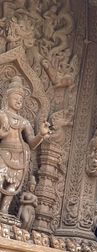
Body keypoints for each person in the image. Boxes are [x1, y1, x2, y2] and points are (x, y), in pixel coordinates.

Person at [0, 76, 49, 214]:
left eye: (21, 100)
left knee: (12, 186)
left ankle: (3, 213)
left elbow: (32, 143)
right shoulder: (2, 114)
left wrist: (41, 134)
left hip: (19, 157)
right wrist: (2, 134)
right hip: (4, 153)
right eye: (16, 98)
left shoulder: (24, 122)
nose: (19, 101)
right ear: (7, 98)